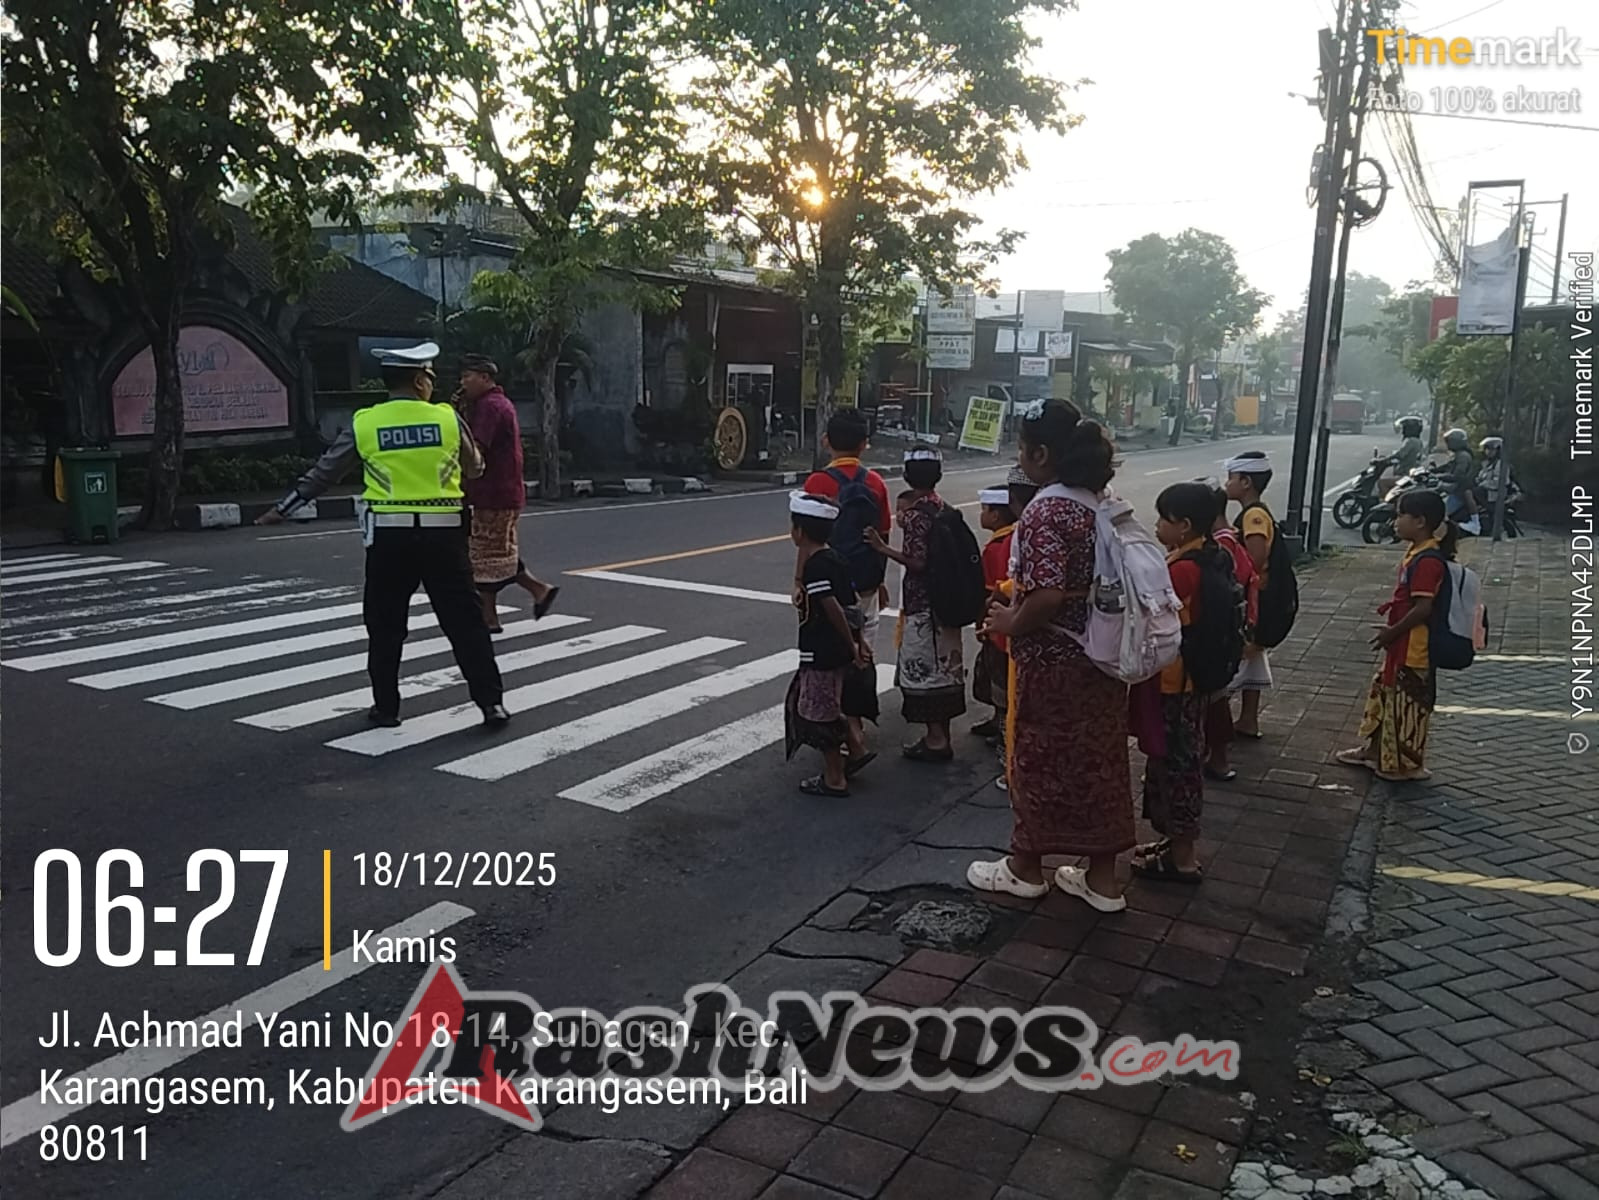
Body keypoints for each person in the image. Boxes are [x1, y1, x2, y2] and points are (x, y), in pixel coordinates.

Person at [256, 342, 510, 729]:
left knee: (386, 625)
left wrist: (282, 508)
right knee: (465, 623)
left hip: (390, 540)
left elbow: (325, 473)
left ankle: (386, 708)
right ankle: (491, 705)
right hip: (444, 538)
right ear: (421, 380)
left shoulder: (365, 423)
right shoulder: (446, 418)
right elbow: (475, 468)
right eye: (429, 377)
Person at [968, 399, 1134, 911]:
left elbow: (1047, 595)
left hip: (1054, 660)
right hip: (1103, 654)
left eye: (1022, 448)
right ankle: (1103, 880)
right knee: (1100, 761)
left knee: (1037, 759)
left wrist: (1009, 621)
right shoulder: (1099, 500)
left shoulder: (1045, 509)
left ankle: (1025, 868)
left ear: (1040, 453)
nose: (1020, 457)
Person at [1336, 489, 1456, 782]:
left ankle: (1405, 765)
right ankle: (1374, 750)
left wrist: (1392, 632)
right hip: (1400, 643)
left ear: (1420, 521)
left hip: (1414, 647)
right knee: (1385, 695)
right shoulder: (1416, 552)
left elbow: (1423, 608)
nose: (1395, 521)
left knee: (1406, 705)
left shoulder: (1428, 560)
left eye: (1401, 515)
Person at [1133, 482, 1219, 883]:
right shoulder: (1207, 557)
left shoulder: (1182, 570)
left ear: (1183, 525)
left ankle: (1183, 858)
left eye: (1163, 519)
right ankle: (1172, 844)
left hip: (1175, 685)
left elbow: (1165, 629)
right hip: (1189, 684)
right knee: (1169, 764)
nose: (1156, 525)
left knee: (1178, 769)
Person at [801, 408, 890, 764]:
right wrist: (880, 581)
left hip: (827, 584)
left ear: (826, 441)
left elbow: (807, 542)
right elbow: (882, 536)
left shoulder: (817, 484)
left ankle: (840, 732)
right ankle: (856, 724)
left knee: (829, 654)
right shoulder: (876, 483)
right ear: (865, 444)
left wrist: (799, 582)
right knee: (862, 651)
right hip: (865, 583)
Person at [867, 448, 965, 760]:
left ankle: (935, 739)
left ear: (908, 476)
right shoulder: (944, 507)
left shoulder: (916, 516)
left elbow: (917, 562)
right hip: (948, 600)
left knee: (924, 669)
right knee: (946, 667)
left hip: (924, 604)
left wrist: (883, 549)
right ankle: (942, 734)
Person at [455, 354, 557, 632]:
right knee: (497, 553)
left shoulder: (490, 407)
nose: (463, 382)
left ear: (485, 378)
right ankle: (539, 591)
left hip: (492, 493)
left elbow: (476, 450)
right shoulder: (494, 404)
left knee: (485, 555)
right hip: (501, 492)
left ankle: (490, 617)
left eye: (468, 376)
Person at [784, 492, 873, 797]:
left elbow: (834, 608)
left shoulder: (816, 568)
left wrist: (852, 646)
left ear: (800, 532)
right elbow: (853, 605)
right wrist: (859, 641)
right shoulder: (835, 559)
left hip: (823, 650)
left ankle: (835, 777)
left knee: (820, 714)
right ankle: (857, 748)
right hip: (835, 651)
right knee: (827, 704)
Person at [1204, 482, 1257, 783]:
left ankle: (1218, 759)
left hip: (1213, 638)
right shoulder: (1228, 540)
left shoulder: (1220, 547)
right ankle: (1216, 758)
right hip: (1224, 635)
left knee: (1211, 701)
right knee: (1215, 699)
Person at [1223, 451, 1276, 739]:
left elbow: (1253, 560)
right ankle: (1248, 720)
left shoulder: (1253, 515)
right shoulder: (1256, 511)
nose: (1227, 484)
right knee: (1254, 658)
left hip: (1254, 599)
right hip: (1259, 598)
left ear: (1246, 482)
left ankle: (1218, 725)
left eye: (1231, 478)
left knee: (1239, 658)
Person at [971, 487, 1018, 742]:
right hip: (1011, 621)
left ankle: (1003, 730)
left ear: (996, 516)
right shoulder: (1016, 538)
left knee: (999, 679)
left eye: (984, 510)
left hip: (998, 627)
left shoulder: (995, 548)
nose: (981, 514)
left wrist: (981, 622)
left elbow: (990, 593)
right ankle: (997, 722)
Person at [1436, 428, 1477, 531]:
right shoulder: (1458, 455)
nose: (1448, 444)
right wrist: (1434, 470)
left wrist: (1439, 476)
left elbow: (1457, 476)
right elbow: (1447, 466)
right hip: (1455, 489)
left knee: (1440, 513)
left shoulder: (1463, 456)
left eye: (1449, 441)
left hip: (1459, 491)